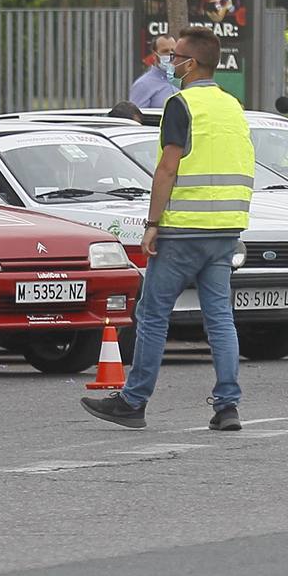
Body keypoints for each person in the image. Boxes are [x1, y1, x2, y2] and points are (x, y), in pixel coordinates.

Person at [80, 25, 250, 432]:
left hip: (183, 229)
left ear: (191, 63)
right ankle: (228, 405)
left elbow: (168, 167)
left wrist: (152, 223)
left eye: (176, 58)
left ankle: (133, 401)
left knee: (153, 315)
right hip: (225, 229)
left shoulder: (181, 104)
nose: (170, 64)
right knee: (220, 318)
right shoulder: (232, 106)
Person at [128, 34, 179, 109]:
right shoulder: (143, 84)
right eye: (165, 51)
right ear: (154, 55)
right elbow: (135, 117)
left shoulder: (182, 79)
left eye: (173, 51)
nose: (170, 55)